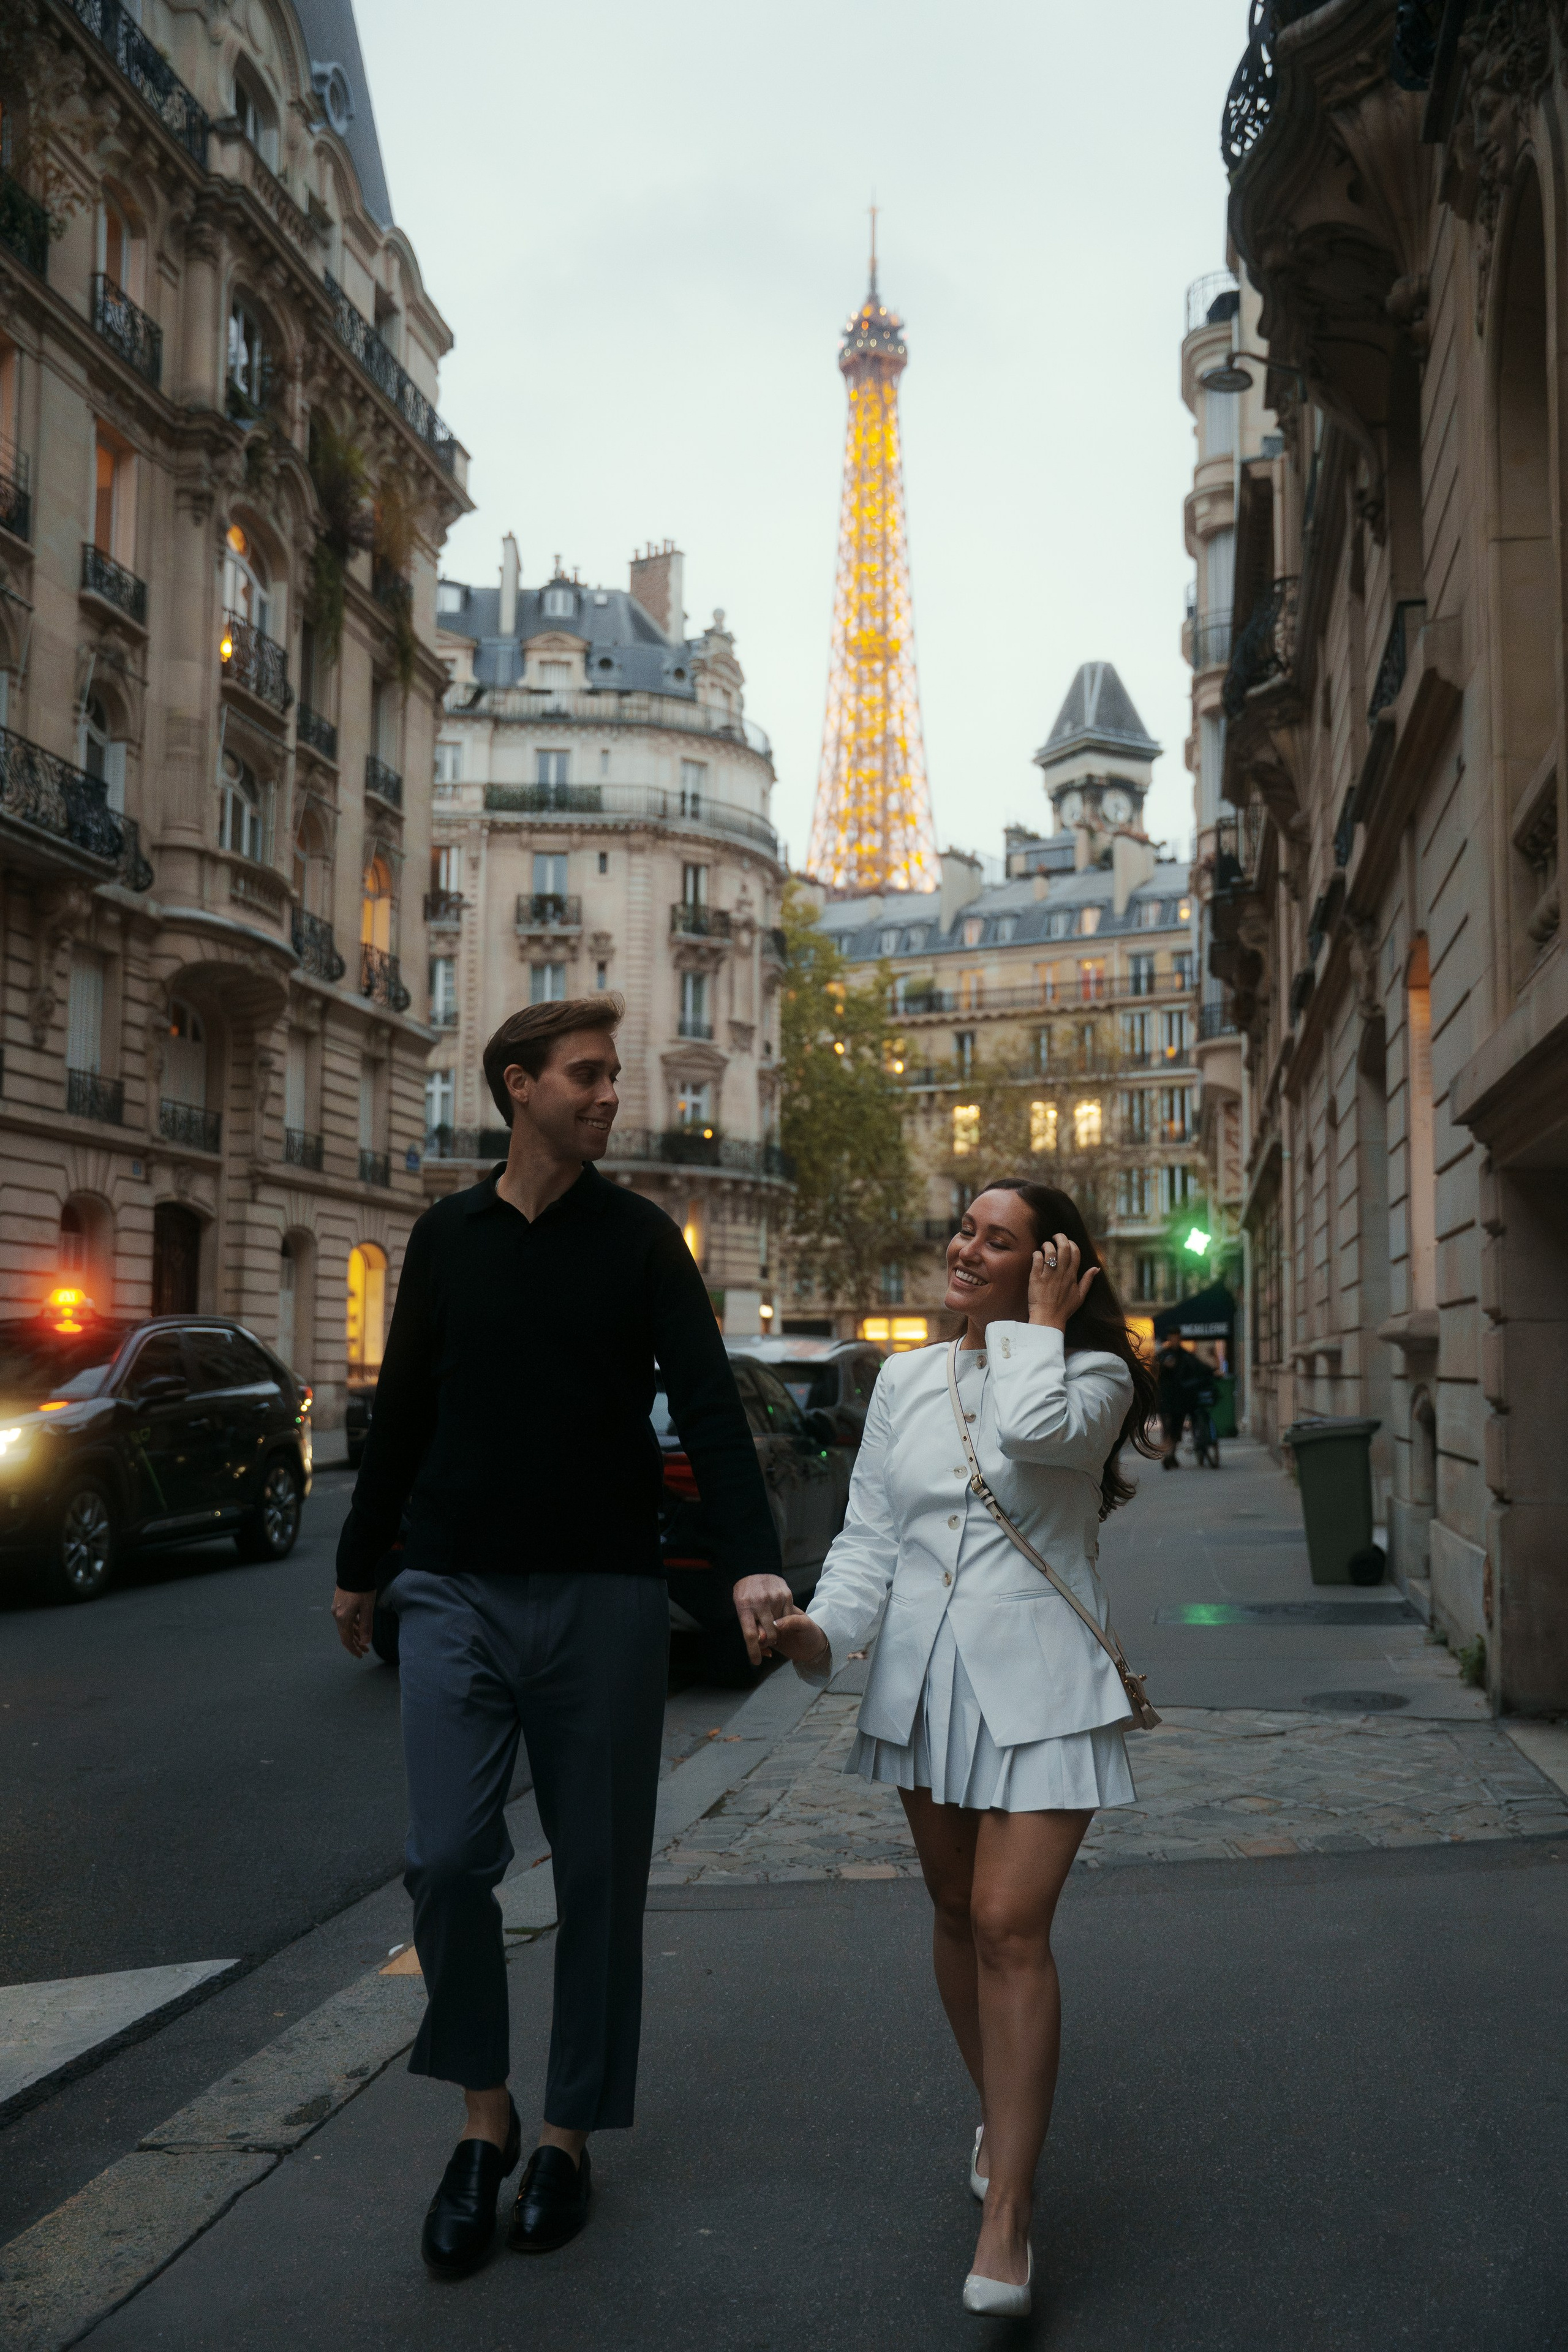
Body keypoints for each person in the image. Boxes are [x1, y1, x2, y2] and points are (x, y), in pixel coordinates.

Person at [332, 995, 789, 2280]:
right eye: (585, 1075)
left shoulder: (641, 1240)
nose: (609, 1095)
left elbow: (709, 1407)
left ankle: (566, 2139)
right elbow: (405, 1408)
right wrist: (360, 1565)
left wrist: (753, 1562)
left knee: (597, 1877)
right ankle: (484, 2119)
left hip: (604, 1594)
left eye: (611, 1075)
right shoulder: (447, 1237)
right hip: (455, 1588)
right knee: (444, 1860)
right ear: (517, 1086)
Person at [737, 1179, 1158, 2318]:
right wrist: (821, 1633)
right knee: (958, 1913)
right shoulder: (906, 1380)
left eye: (999, 1240)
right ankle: (1004, 2117)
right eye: (966, 1230)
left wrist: (1040, 1329)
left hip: (1045, 1688)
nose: (967, 1249)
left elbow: (1034, 1434)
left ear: (1049, 1265)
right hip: (927, 1683)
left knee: (1011, 1924)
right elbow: (872, 1537)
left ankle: (1007, 2213)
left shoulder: (1096, 1376)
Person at [1155, 1335, 1203, 1469]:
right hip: (1166, 1398)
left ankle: (1171, 1455)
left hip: (1179, 1400)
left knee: (1175, 1429)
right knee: (1167, 1429)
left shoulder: (1185, 1355)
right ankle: (1168, 1455)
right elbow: (1155, 1372)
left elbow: (1198, 1368)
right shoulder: (1164, 1355)